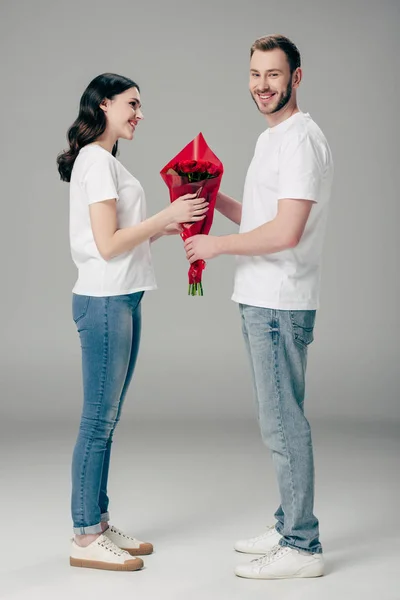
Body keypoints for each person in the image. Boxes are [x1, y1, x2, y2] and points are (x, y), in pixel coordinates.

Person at [184, 34, 334, 580]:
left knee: (281, 422)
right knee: (278, 417)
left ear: (296, 77)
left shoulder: (300, 140)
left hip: (278, 302)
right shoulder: (273, 138)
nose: (261, 85)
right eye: (254, 74)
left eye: (273, 75)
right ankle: (286, 522)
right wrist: (209, 195)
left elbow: (287, 231)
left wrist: (214, 246)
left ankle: (301, 546)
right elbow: (263, 216)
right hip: (261, 298)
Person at [57, 73, 209, 572]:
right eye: (132, 104)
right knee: (98, 421)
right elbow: (107, 245)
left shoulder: (103, 161)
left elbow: (126, 240)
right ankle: (84, 536)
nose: (139, 113)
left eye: (141, 105)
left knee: (108, 418)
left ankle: (97, 522)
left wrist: (170, 223)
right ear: (104, 105)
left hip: (122, 297)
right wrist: (166, 214)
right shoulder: (97, 162)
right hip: (105, 302)